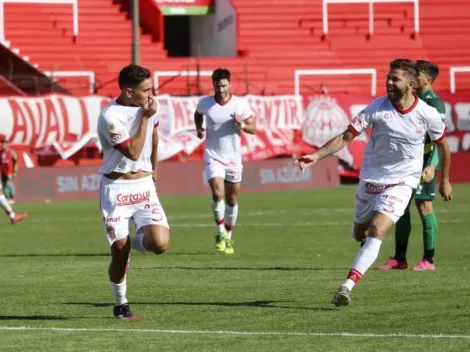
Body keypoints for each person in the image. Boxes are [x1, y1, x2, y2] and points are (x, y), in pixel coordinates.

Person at [295, 59, 452, 307]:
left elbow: (443, 145)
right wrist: (316, 155)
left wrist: (445, 180)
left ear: (411, 84)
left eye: (395, 78)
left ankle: (346, 287)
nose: (389, 82)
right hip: (370, 180)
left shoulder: (428, 113)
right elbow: (346, 136)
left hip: (402, 182)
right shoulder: (376, 107)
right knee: (361, 231)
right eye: (388, 77)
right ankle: (364, 243)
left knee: (378, 229)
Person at [97, 64, 170, 320]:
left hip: (144, 186)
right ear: (128, 91)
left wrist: (155, 171)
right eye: (146, 90)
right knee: (119, 253)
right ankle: (121, 304)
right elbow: (133, 152)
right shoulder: (110, 116)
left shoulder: (150, 107)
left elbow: (154, 137)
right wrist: (147, 117)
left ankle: (128, 246)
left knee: (160, 244)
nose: (151, 95)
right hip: (116, 189)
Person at [377, 60, 446, 271]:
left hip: (425, 161)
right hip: (407, 162)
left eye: (418, 74)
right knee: (401, 208)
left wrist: (433, 166)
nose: (414, 77)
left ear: (427, 79)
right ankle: (400, 258)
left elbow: (439, 140)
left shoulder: (434, 103)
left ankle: (429, 259)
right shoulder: (412, 99)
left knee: (424, 206)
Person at [194, 68, 256, 254]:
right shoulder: (205, 103)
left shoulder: (240, 104)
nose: (221, 89)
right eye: (217, 85)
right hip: (213, 156)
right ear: (213, 84)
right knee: (217, 192)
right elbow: (198, 114)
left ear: (229, 84)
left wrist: (241, 124)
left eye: (224, 85)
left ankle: (228, 237)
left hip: (233, 158)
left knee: (232, 199)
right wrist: (199, 128)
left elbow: (252, 128)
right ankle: (220, 232)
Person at [0, 135, 27, 224]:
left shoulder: (9, 152)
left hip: (7, 172)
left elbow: (15, 160)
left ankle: (12, 215)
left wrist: (13, 170)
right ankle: (12, 215)